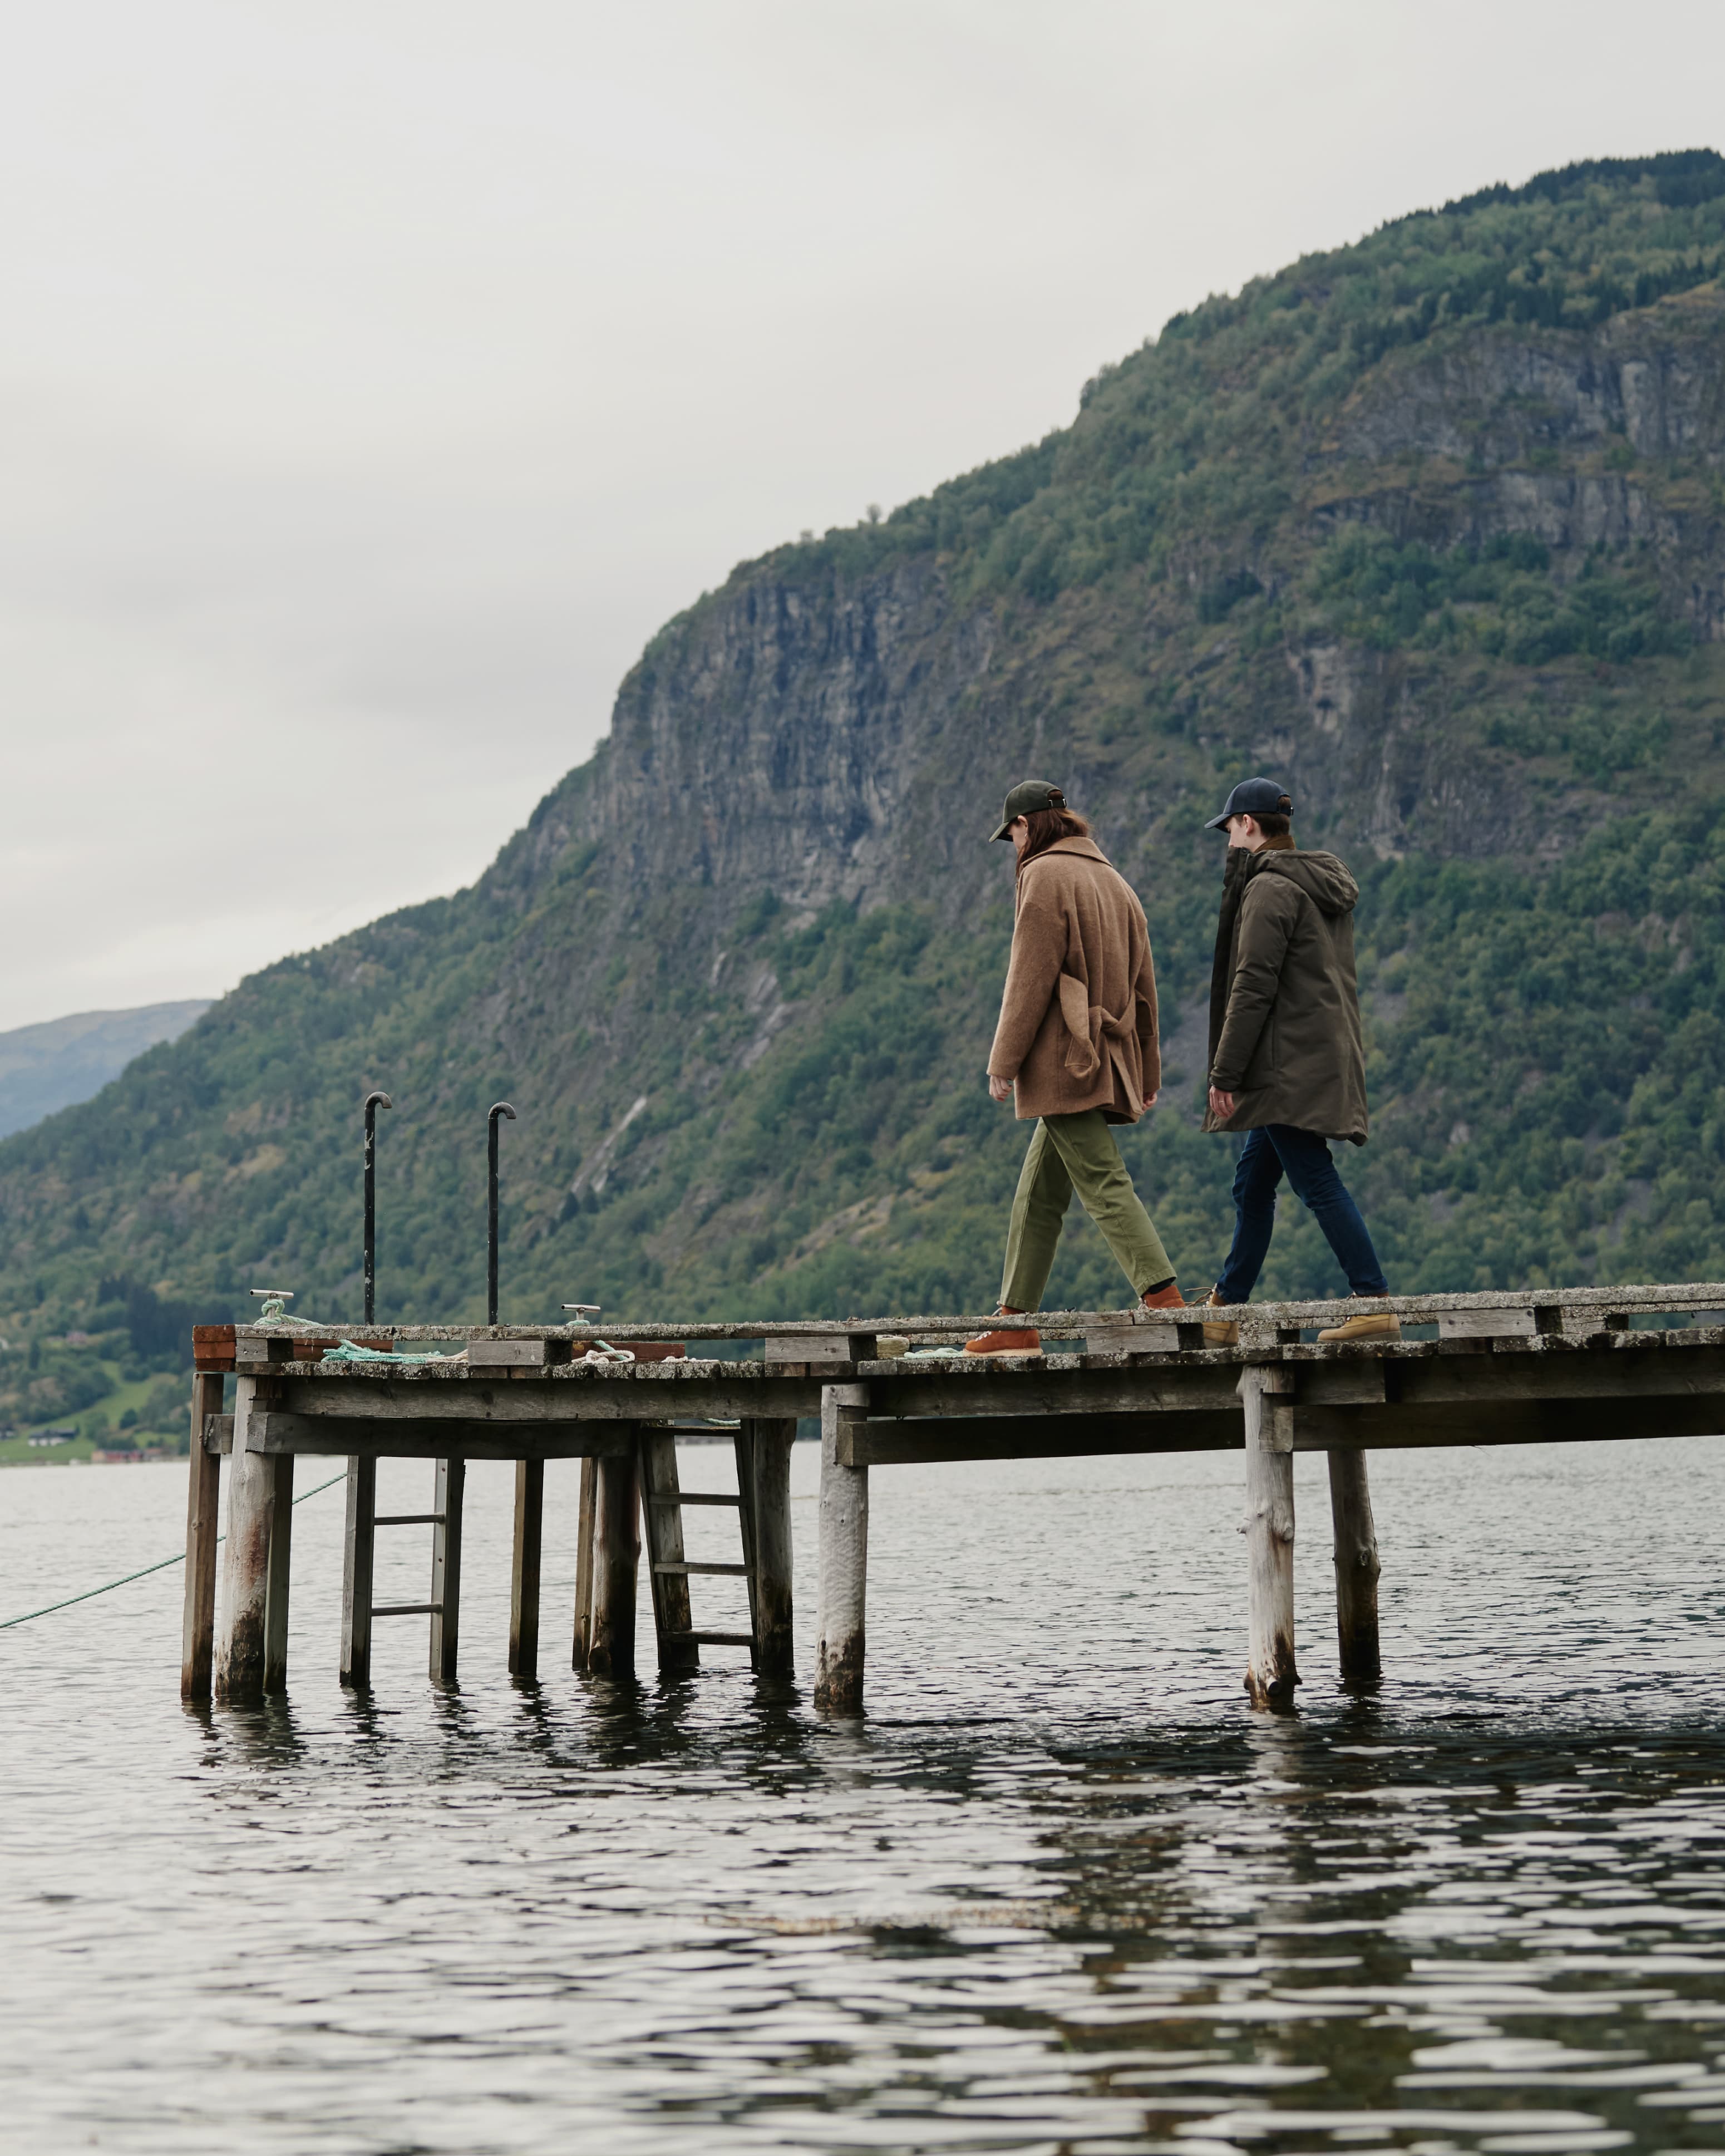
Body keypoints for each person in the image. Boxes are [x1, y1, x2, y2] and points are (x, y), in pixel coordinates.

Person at [966, 779, 1184, 1356]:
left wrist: (1003, 1061)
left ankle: (1165, 1302)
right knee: (1038, 1193)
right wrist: (1147, 1069)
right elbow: (1145, 989)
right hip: (1108, 1055)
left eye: (1011, 832)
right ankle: (1014, 1320)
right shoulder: (1115, 880)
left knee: (1103, 1181)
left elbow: (1030, 977)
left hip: (1063, 1060)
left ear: (1029, 824)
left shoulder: (1041, 875)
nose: (1011, 844)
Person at [1199, 776, 1397, 1346]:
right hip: (1310, 1055)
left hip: (1286, 1066)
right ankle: (1224, 1306)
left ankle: (1372, 1300)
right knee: (1252, 1183)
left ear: (1250, 826)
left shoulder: (1269, 890)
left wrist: (1225, 1071)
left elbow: (1252, 985)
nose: (1228, 840)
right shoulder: (1314, 882)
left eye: (1230, 829)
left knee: (1314, 1179)